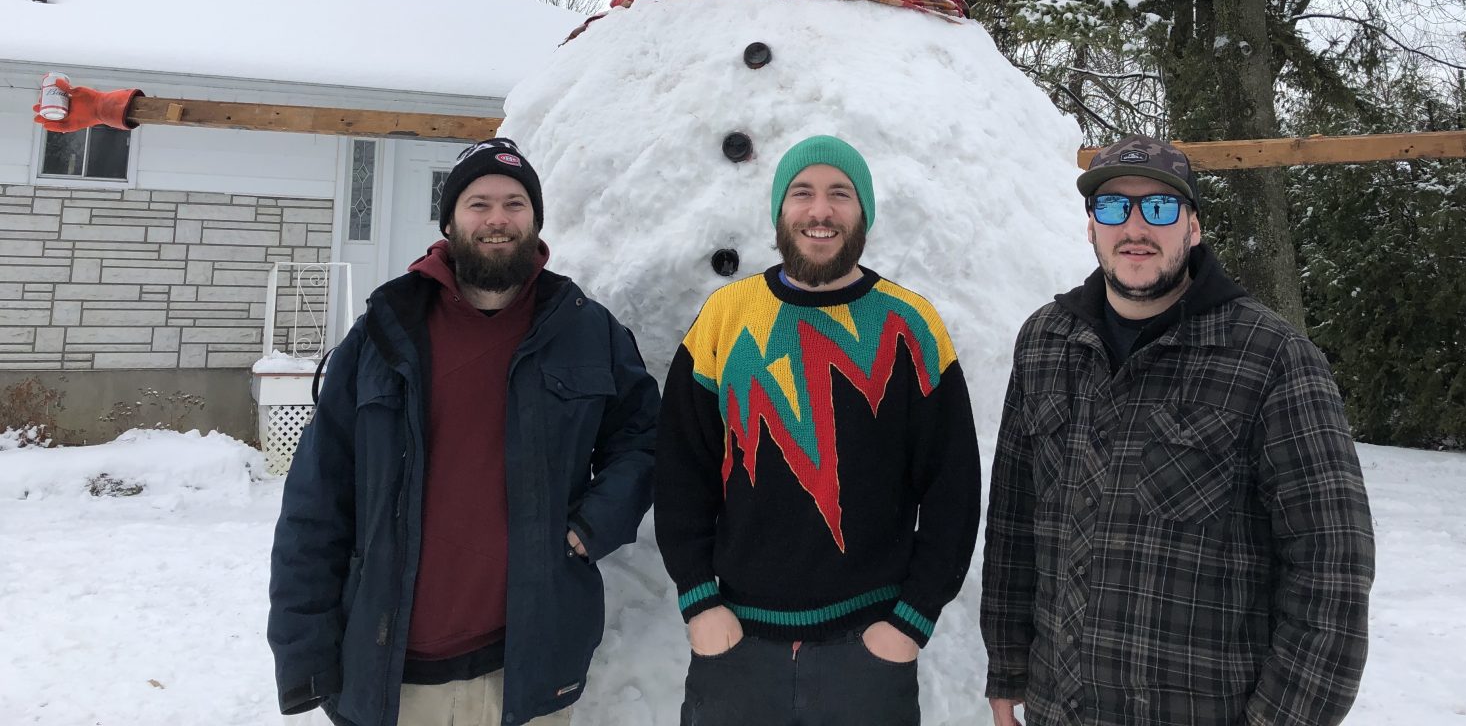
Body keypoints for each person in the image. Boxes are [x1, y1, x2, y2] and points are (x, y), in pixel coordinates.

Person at [982, 136, 1375, 726]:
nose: (1135, 227)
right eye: (1113, 207)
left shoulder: (1270, 358)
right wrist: (1008, 666)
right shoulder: (1045, 341)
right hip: (1058, 708)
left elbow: (1332, 567)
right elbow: (1015, 520)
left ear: (1192, 228)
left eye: (1160, 209)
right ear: (1091, 226)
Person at [268, 137, 659, 726]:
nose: (497, 220)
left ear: (535, 220)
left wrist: (591, 527)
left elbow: (644, 438)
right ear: (450, 218)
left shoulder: (584, 328)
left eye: (514, 204)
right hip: (396, 678)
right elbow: (316, 501)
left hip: (529, 674)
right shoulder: (384, 332)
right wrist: (304, 654)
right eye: (479, 203)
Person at [654, 135, 981, 726]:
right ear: (780, 210)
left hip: (868, 656)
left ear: (865, 213)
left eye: (840, 194)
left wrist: (911, 622)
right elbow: (681, 469)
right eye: (801, 193)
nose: (820, 211)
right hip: (736, 648)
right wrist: (698, 599)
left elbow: (952, 488)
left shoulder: (912, 324)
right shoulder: (725, 318)